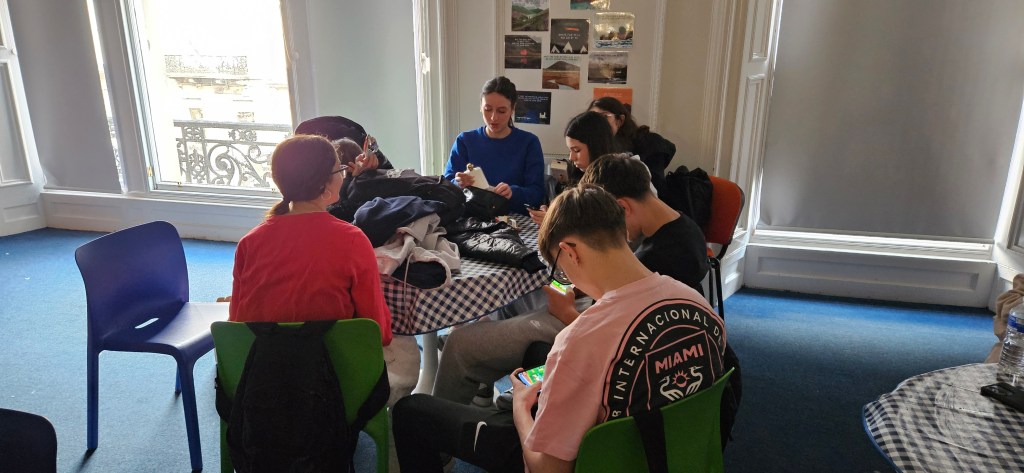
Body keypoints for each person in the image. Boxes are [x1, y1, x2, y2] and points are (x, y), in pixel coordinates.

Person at [392, 184, 726, 472]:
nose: (564, 278)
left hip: (591, 462)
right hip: (664, 450)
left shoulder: (581, 338)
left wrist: (521, 408)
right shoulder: (699, 306)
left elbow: (546, 468)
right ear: (623, 231)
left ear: (569, 251)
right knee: (539, 352)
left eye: (560, 269)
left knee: (412, 411)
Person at [431, 153, 709, 406]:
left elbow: (610, 338)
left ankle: (468, 387)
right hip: (595, 322)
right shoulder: (678, 233)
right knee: (520, 302)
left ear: (620, 208)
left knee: (462, 343)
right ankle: (482, 370)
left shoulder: (657, 258)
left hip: (586, 331)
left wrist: (567, 313)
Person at [228, 134, 392, 346]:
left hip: (262, 363)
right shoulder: (352, 240)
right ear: (324, 183)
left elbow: (237, 323)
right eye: (340, 170)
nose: (343, 176)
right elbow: (378, 331)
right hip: (333, 363)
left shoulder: (248, 243)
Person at [443, 76, 545, 213]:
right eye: (488, 109)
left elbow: (537, 194)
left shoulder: (529, 143)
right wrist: (458, 183)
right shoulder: (465, 141)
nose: (493, 117)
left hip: (514, 218)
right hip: (471, 216)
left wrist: (513, 193)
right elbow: (446, 186)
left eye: (501, 111)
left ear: (512, 109)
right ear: (480, 107)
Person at [526, 110, 616, 225]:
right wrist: (553, 212)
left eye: (577, 150)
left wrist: (554, 221)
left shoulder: (611, 182)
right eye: (570, 150)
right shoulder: (578, 176)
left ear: (596, 146)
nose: (571, 157)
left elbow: (594, 226)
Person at [589, 96, 677, 195]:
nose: (598, 123)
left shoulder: (649, 144)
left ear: (620, 120)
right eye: (593, 118)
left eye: (605, 117)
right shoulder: (593, 145)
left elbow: (656, 190)